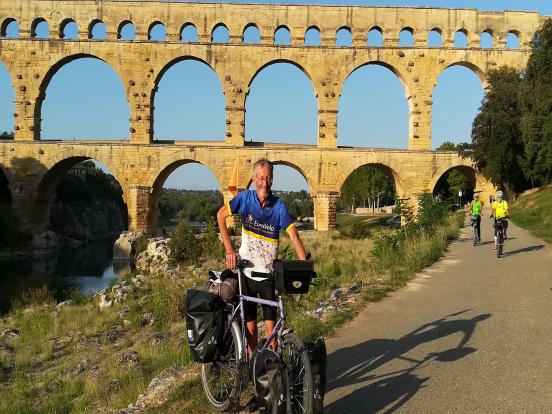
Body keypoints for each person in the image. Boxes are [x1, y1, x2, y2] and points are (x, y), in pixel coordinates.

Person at [216, 158, 307, 358]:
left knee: (271, 334)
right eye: (261, 178)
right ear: (254, 179)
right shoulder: (244, 199)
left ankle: (272, 376)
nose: (265, 183)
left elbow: (294, 236)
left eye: (269, 179)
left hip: (267, 276)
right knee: (250, 332)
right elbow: (221, 216)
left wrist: (304, 267)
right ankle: (253, 373)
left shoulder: (279, 206)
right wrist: (229, 250)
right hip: (246, 273)